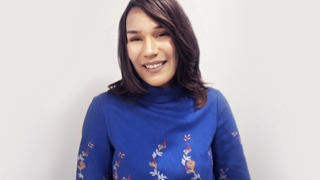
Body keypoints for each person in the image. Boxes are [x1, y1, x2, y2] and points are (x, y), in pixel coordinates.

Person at [76, 0, 250, 179]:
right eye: (136, 38)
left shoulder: (213, 105)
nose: (149, 50)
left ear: (181, 37)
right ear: (125, 47)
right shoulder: (104, 110)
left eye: (161, 34)